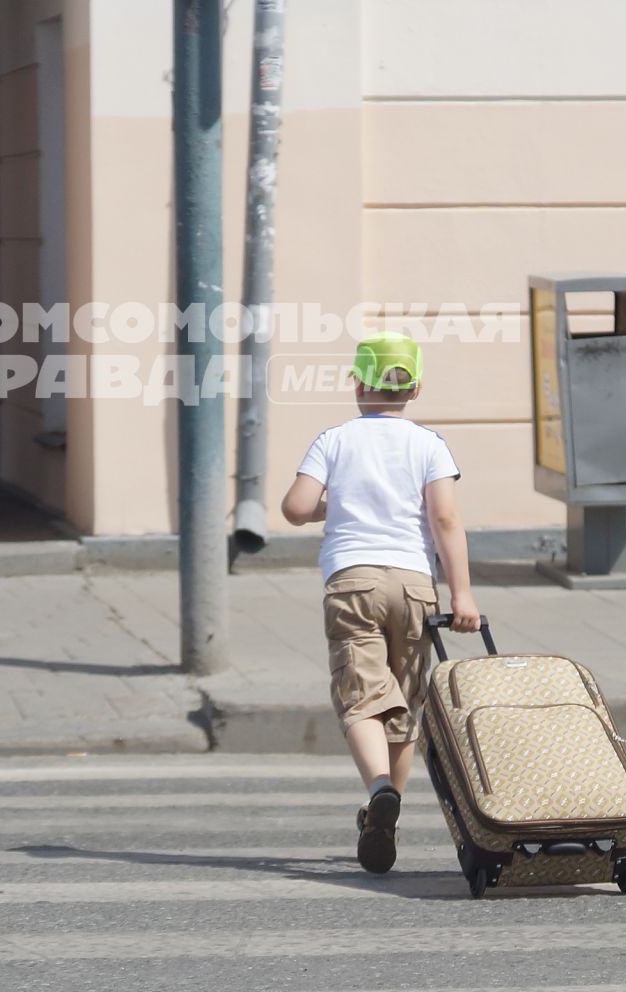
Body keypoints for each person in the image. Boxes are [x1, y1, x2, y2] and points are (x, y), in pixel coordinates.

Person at [279, 331, 481, 876]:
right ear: (414, 391)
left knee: (360, 697)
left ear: (357, 383)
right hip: (415, 585)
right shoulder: (429, 444)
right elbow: (444, 521)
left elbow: (296, 507)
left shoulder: (335, 439)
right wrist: (461, 594)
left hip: (353, 583)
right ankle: (388, 805)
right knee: (403, 703)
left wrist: (334, 507)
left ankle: (378, 794)